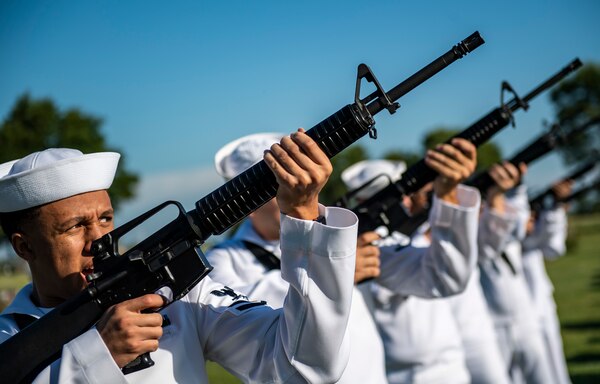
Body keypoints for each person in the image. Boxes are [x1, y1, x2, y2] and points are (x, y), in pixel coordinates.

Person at [0, 129, 359, 383]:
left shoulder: (175, 297)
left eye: (105, 219)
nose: (99, 239)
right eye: (75, 227)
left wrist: (304, 219)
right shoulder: (9, 338)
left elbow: (302, 369)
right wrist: (98, 355)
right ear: (24, 247)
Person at [206, 132, 389, 383]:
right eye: (279, 184)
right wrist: (333, 270)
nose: (298, 185)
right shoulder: (222, 260)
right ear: (246, 204)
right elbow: (266, 324)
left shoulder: (330, 230)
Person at [340, 138, 482, 384]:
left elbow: (445, 277)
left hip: (445, 363)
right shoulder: (359, 243)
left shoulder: (386, 242)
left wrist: (447, 195)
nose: (407, 202)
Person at [477, 161, 553, 384]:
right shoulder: (476, 227)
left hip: (524, 316)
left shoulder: (505, 219)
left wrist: (516, 186)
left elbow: (517, 225)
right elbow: (488, 245)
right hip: (494, 324)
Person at [522, 180, 572, 384]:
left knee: (555, 372)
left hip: (541, 305)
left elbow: (553, 248)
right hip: (512, 317)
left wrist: (557, 209)